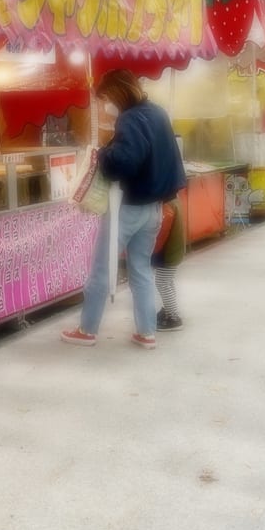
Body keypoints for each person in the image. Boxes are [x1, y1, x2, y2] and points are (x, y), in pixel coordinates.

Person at [61, 70, 186, 350]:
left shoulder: (130, 118)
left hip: (126, 209)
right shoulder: (158, 113)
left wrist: (102, 153)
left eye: (105, 98)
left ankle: (87, 329)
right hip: (154, 208)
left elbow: (124, 162)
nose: (105, 106)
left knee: (101, 269)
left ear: (116, 93)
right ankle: (147, 333)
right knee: (141, 269)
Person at [152, 197, 185, 332]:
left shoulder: (167, 206)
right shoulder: (175, 200)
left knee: (162, 283)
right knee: (168, 282)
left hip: (167, 253)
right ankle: (169, 309)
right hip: (174, 251)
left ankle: (173, 317)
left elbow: (162, 233)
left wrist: (152, 250)